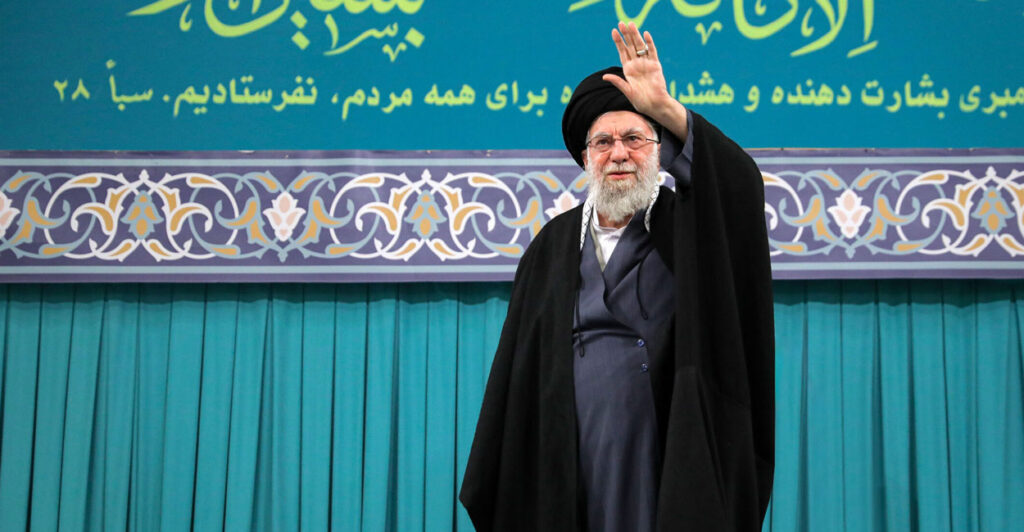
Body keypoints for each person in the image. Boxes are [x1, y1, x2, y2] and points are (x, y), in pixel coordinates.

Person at [459, 22, 774, 532]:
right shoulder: (551, 247)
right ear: (585, 158)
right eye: (603, 142)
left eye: (634, 138)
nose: (619, 153)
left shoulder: (689, 228)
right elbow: (519, 380)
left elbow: (739, 186)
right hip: (570, 462)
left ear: (661, 151)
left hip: (667, 459)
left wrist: (666, 109)